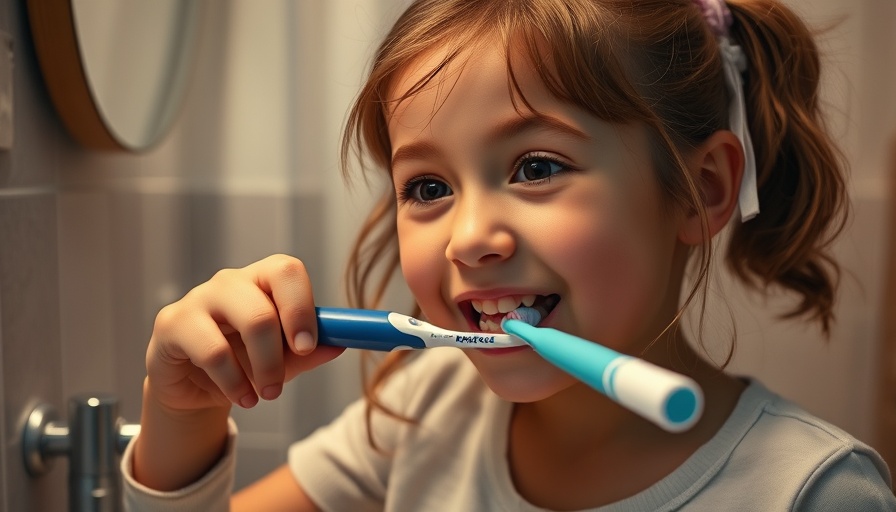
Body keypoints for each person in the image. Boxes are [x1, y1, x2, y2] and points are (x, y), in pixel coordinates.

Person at [122, 0, 896, 510]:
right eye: (428, 187)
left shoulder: (812, 493)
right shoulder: (424, 412)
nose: (467, 238)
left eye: (536, 168)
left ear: (702, 190)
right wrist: (182, 416)